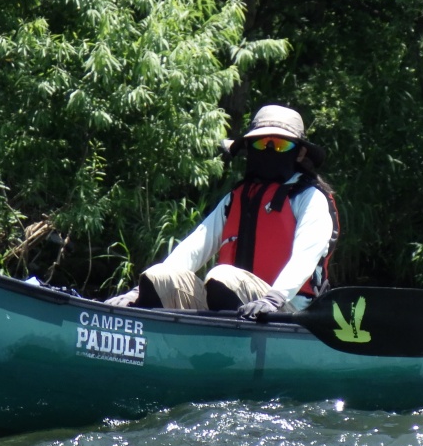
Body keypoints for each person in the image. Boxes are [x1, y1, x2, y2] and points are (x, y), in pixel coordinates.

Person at [112, 104, 337, 318]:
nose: (269, 150)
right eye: (260, 144)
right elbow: (193, 249)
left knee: (222, 276)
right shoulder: (236, 198)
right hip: (233, 298)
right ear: (249, 148)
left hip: (285, 307)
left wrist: (273, 298)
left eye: (280, 145)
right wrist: (137, 292)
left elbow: (305, 258)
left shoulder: (310, 198)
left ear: (300, 153)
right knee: (158, 276)